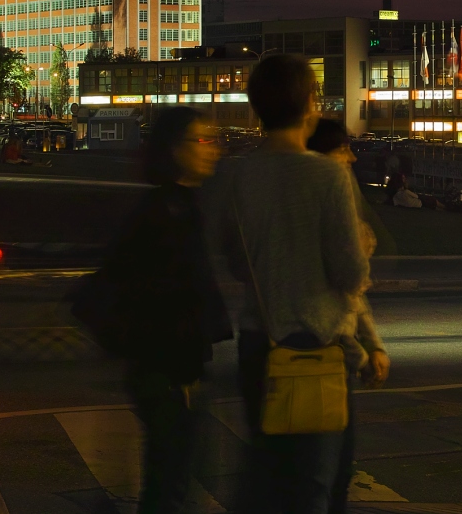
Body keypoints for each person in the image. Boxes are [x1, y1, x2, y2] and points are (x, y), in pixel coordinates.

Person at [212, 55, 369, 514]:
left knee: (269, 480)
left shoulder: (238, 175)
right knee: (317, 486)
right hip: (316, 348)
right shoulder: (327, 175)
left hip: (259, 340)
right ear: (309, 105)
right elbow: (350, 273)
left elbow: (236, 260)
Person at [94, 107, 232, 514]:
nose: (214, 149)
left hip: (168, 369)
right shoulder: (167, 212)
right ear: (174, 149)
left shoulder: (180, 205)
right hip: (169, 372)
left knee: (171, 478)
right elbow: (166, 296)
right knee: (169, 483)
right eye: (203, 140)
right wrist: (182, 373)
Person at [306, 118, 391, 514]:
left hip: (338, 353)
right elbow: (340, 295)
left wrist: (371, 345)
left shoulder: (333, 201)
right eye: (343, 149)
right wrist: (363, 353)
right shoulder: (323, 209)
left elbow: (354, 293)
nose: (353, 158)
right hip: (323, 357)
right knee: (323, 476)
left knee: (330, 473)